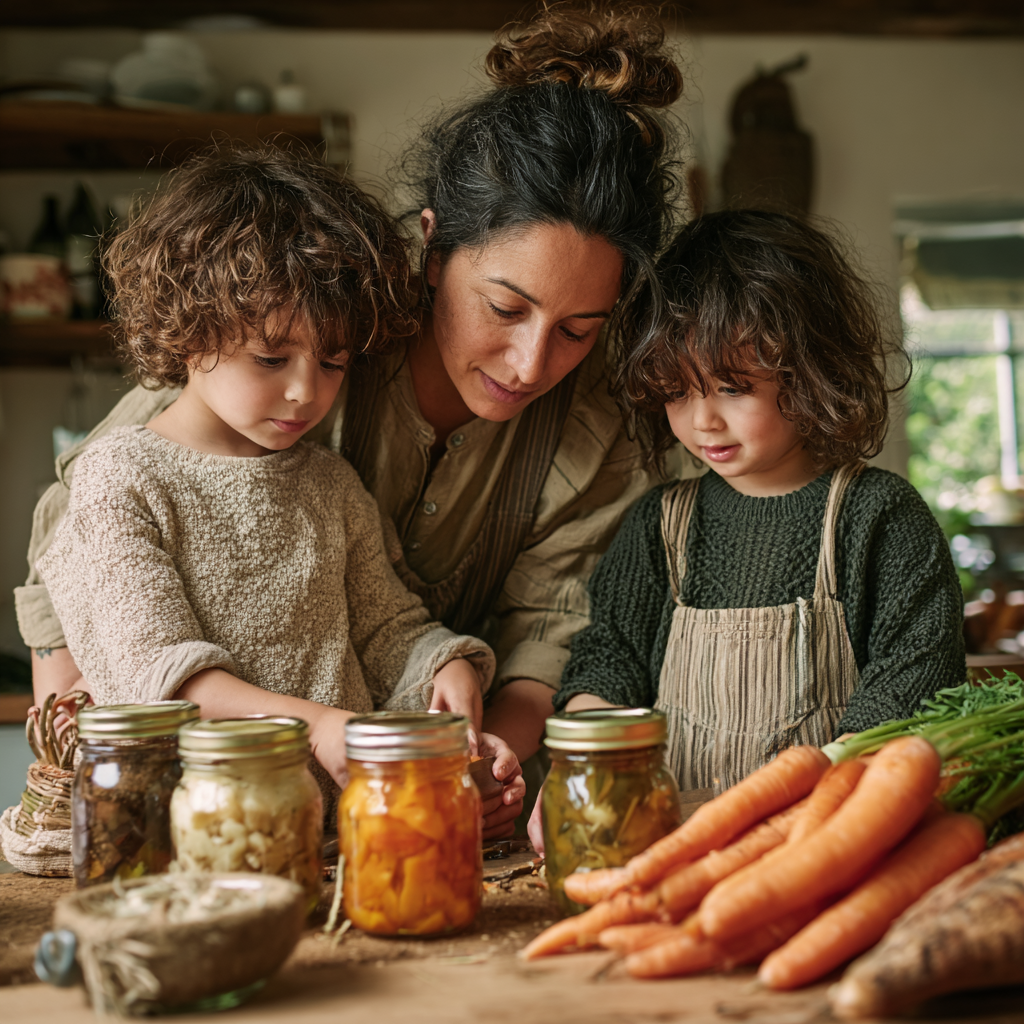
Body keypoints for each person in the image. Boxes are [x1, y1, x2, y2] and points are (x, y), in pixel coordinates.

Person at [16, 3, 686, 834]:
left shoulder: (586, 441)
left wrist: (476, 761)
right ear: (434, 249)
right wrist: (89, 757)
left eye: (579, 330)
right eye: (504, 307)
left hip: (382, 798)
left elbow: (537, 633)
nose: (530, 363)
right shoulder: (311, 328)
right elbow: (80, 539)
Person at [33, 146, 507, 819]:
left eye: (335, 361)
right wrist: (316, 726)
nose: (304, 392)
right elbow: (162, 680)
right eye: (271, 356)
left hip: (335, 839)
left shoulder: (330, 484)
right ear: (186, 326)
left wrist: (443, 669)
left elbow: (387, 631)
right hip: (186, 839)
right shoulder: (121, 478)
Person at [552, 209, 966, 796]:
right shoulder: (660, 526)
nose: (703, 421)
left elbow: (915, 676)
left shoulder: (877, 516)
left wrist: (824, 790)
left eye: (732, 387)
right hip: (672, 838)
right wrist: (588, 753)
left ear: (812, 371)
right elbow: (609, 657)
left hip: (827, 828)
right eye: (677, 391)